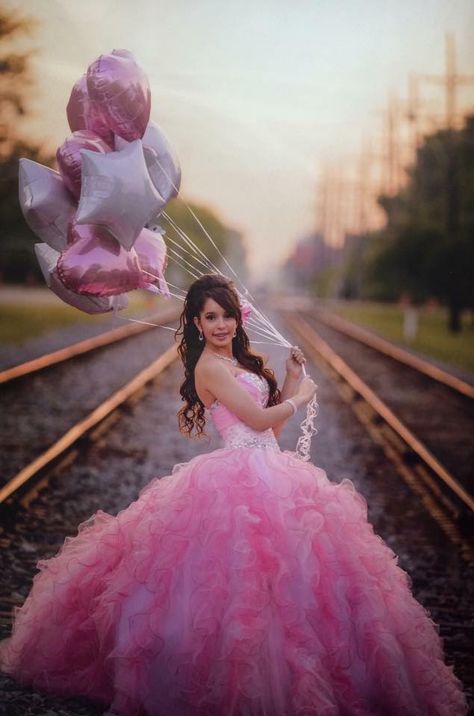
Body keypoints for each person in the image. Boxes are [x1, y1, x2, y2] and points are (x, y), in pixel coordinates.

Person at [0, 274, 468, 716]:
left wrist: (288, 378)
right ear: (197, 324)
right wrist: (301, 396)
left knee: (293, 581)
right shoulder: (209, 368)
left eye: (226, 315)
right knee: (232, 584)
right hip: (235, 475)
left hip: (269, 468)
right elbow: (261, 422)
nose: (221, 325)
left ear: (237, 317)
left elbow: (274, 427)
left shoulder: (240, 363)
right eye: (210, 317)